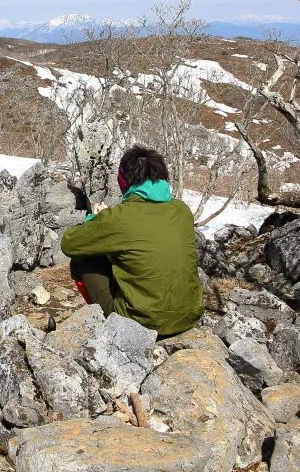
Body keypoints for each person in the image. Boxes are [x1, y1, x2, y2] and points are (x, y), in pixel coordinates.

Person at [61, 144, 203, 338]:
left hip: (141, 323)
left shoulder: (119, 216)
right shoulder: (182, 210)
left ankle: (108, 325)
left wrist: (95, 221)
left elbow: (69, 244)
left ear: (125, 181)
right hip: (188, 317)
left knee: (85, 255)